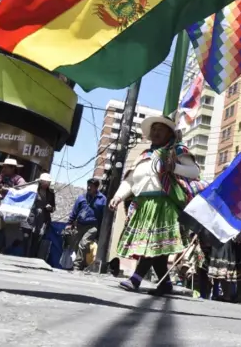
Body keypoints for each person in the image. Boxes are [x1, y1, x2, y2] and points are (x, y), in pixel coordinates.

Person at [110, 115, 200, 296]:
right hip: (143, 204)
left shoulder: (177, 151)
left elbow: (194, 171)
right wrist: (118, 196)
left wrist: (173, 167)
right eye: (154, 129)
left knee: (153, 243)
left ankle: (136, 278)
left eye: (161, 129)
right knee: (156, 246)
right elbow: (130, 180)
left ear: (169, 133)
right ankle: (165, 284)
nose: (156, 132)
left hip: (164, 204)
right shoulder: (144, 156)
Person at [0, 157, 26, 253]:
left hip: (6, 205)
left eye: (6, 167)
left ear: (13, 168)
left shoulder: (19, 180)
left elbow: (22, 192)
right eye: (4, 167)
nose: (4, 169)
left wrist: (9, 190)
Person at [66, 178, 106, 271]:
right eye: (88, 185)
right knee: (76, 245)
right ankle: (84, 263)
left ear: (96, 187)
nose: (88, 188)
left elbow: (104, 216)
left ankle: (76, 265)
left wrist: (101, 230)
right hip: (80, 225)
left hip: (93, 226)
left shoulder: (102, 199)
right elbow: (74, 211)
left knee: (83, 244)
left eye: (91, 186)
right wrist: (69, 223)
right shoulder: (82, 197)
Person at [21, 173, 56, 258]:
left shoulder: (51, 194)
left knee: (36, 238)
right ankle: (23, 255)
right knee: (26, 236)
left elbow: (53, 208)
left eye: (47, 183)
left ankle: (31, 257)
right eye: (44, 182)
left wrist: (50, 208)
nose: (46, 184)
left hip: (42, 219)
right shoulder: (33, 190)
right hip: (30, 215)